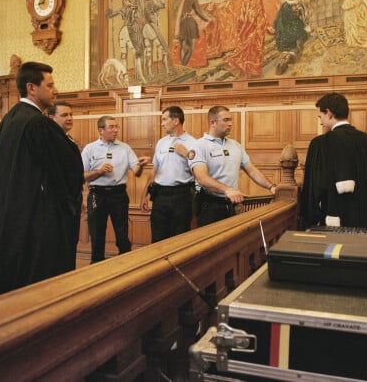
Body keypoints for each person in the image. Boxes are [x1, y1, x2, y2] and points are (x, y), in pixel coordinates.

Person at [0, 62, 84, 295]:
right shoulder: (37, 123)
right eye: (50, 85)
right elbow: (69, 168)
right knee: (43, 288)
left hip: (13, 217)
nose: (56, 90)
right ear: (32, 87)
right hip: (39, 222)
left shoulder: (9, 119)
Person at [301, 93, 367, 232]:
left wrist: (311, 220)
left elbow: (313, 189)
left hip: (336, 223)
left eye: (320, 116)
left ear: (328, 113)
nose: (321, 122)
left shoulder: (321, 144)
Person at [188, 105, 276, 226]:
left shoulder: (235, 145)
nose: (230, 124)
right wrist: (227, 190)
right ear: (212, 122)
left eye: (231, 120)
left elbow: (251, 170)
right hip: (209, 206)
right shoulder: (199, 146)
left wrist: (271, 186)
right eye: (226, 120)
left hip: (232, 205)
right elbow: (202, 178)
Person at [81, 115, 150, 263]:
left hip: (118, 194)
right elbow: (84, 176)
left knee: (122, 234)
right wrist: (99, 171)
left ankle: (125, 266)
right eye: (111, 127)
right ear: (101, 130)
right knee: (97, 233)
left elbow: (136, 172)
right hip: (96, 195)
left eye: (116, 126)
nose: (115, 130)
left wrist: (141, 164)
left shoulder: (125, 148)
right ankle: (96, 266)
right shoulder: (90, 148)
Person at [141, 106, 197, 242]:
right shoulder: (161, 142)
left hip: (181, 197)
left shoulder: (193, 143)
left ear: (176, 121)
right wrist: (144, 194)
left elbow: (199, 171)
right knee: (157, 239)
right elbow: (154, 170)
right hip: (160, 196)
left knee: (178, 239)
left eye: (165, 119)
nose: (162, 123)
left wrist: (186, 154)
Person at [48, 101, 84, 258]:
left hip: (73, 201)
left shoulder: (67, 139)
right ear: (51, 118)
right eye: (64, 115)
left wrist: (78, 198)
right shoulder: (51, 141)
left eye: (71, 114)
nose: (70, 118)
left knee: (70, 244)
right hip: (59, 205)